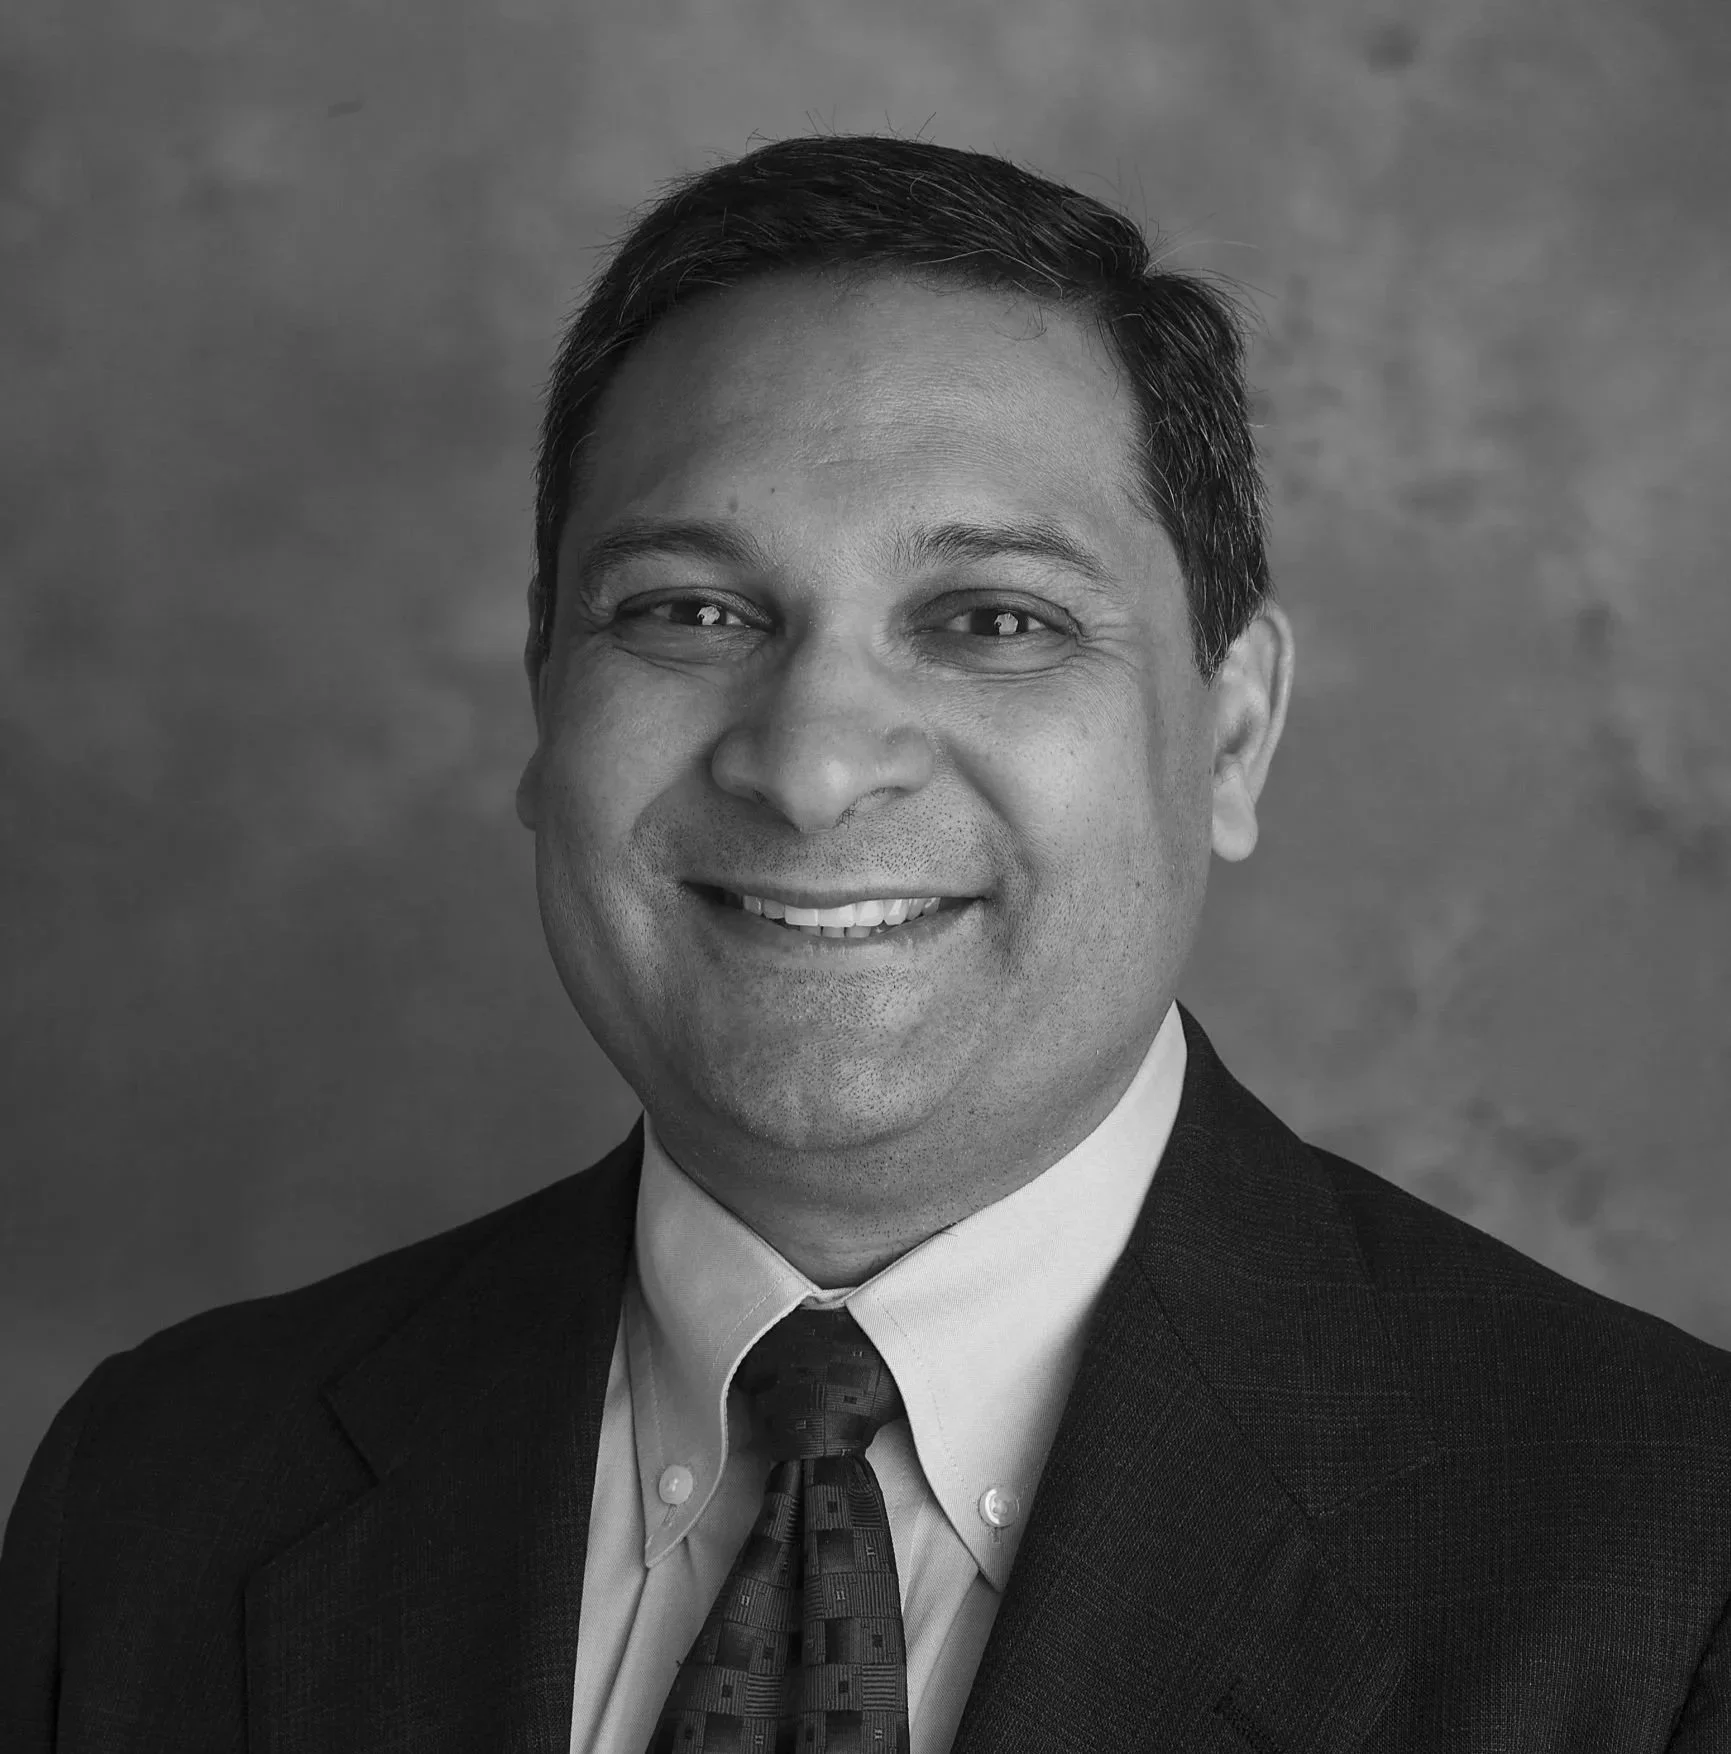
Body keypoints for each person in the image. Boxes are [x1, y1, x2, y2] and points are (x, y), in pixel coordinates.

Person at [2, 132, 1728, 1754]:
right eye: (689, 609)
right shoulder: (154, 1495)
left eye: (993, 618)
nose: (813, 764)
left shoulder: (1667, 1552)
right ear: (544, 696)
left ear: (1231, 732)